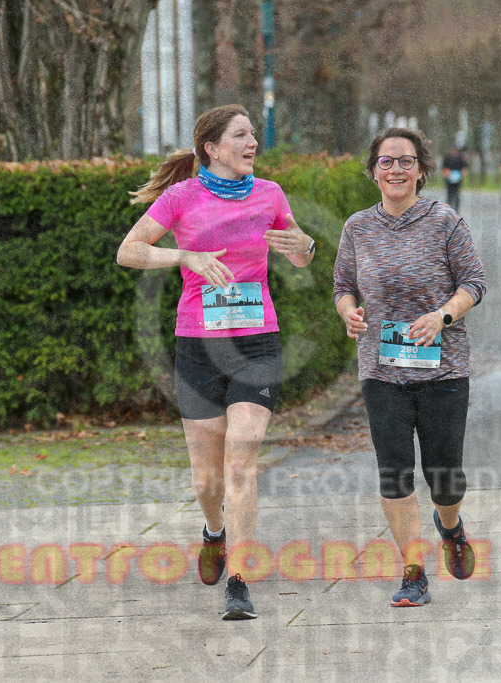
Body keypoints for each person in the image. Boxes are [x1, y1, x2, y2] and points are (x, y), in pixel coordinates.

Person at [117, 104, 315, 620]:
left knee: (241, 462)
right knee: (207, 481)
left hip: (257, 342)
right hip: (198, 345)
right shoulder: (181, 197)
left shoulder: (270, 194)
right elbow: (129, 251)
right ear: (212, 147)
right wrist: (182, 257)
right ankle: (214, 531)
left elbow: (297, 253)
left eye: (253, 135)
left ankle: (240, 580)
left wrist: (307, 246)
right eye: (241, 135)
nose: (253, 143)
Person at [333, 128, 486, 607]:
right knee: (395, 473)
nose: (395, 169)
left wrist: (442, 317)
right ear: (373, 171)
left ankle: (451, 526)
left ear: (421, 170)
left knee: (445, 478)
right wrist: (347, 311)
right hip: (382, 370)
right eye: (386, 161)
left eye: (406, 161)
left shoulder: (445, 222)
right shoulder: (357, 227)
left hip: (443, 370)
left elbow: (475, 282)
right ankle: (413, 573)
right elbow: (342, 284)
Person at [441, 145, 467, 213]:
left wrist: (462, 174)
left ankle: (456, 208)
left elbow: (464, 168)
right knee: (449, 193)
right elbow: (444, 167)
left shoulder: (460, 159)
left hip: (457, 177)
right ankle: (448, 207)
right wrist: (445, 174)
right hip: (449, 177)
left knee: (457, 193)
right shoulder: (447, 158)